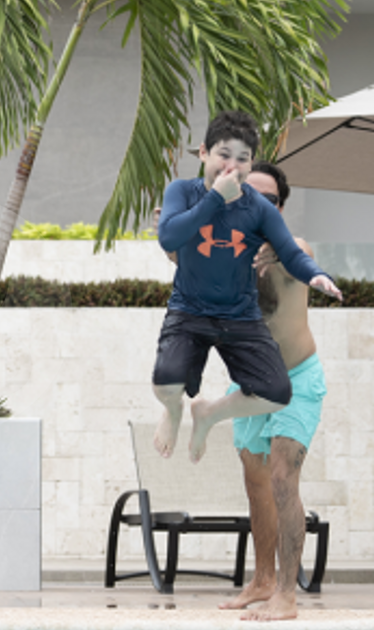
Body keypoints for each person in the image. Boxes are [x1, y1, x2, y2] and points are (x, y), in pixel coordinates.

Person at [152, 110, 341, 464]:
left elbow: (291, 251)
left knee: (276, 392)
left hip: (239, 317)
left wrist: (314, 274)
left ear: (250, 163)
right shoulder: (182, 191)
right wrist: (215, 198)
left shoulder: (258, 210)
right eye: (224, 155)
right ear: (204, 152)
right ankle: (173, 409)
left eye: (242, 159)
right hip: (189, 311)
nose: (232, 166)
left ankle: (208, 413)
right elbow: (169, 237)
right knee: (164, 384)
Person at [213, 162, 326, 621]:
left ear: (279, 207)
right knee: (256, 482)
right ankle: (261, 580)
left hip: (297, 379)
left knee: (282, 477)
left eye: (270, 200)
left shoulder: (291, 248)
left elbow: (298, 253)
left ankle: (286, 594)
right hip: (251, 382)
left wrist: (274, 248)